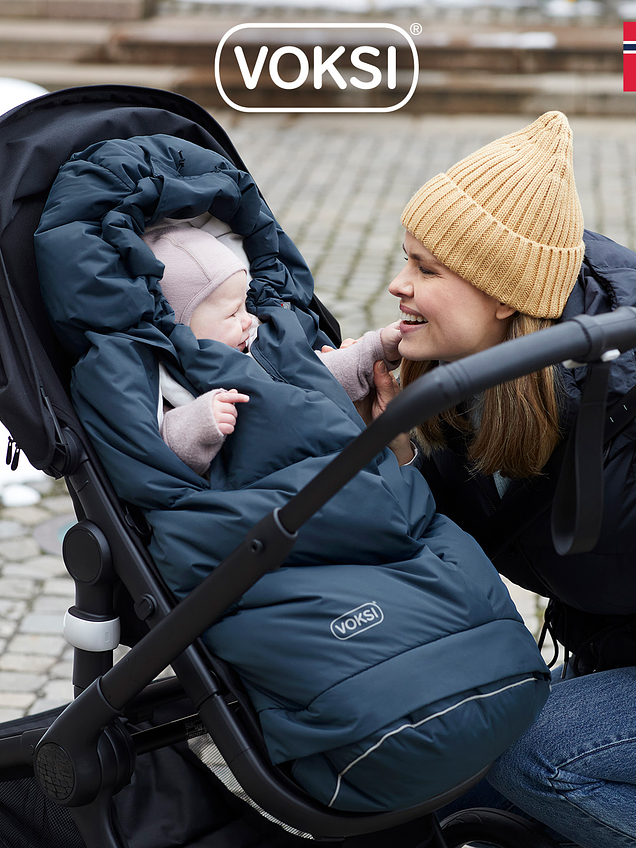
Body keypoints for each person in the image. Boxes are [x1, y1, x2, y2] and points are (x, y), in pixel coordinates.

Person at [366, 110, 636, 847]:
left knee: (533, 754)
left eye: (427, 270)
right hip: (610, 651)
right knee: (449, 779)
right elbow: (461, 541)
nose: (398, 285)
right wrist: (401, 458)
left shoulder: (623, 399)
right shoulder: (473, 387)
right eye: (406, 259)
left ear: (503, 292)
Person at [142, 224, 401, 475]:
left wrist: (376, 347)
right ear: (183, 327)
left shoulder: (261, 344)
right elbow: (161, 449)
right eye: (232, 313)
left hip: (329, 460)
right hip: (270, 482)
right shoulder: (172, 379)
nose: (247, 320)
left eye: (245, 305)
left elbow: (316, 372)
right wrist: (201, 422)